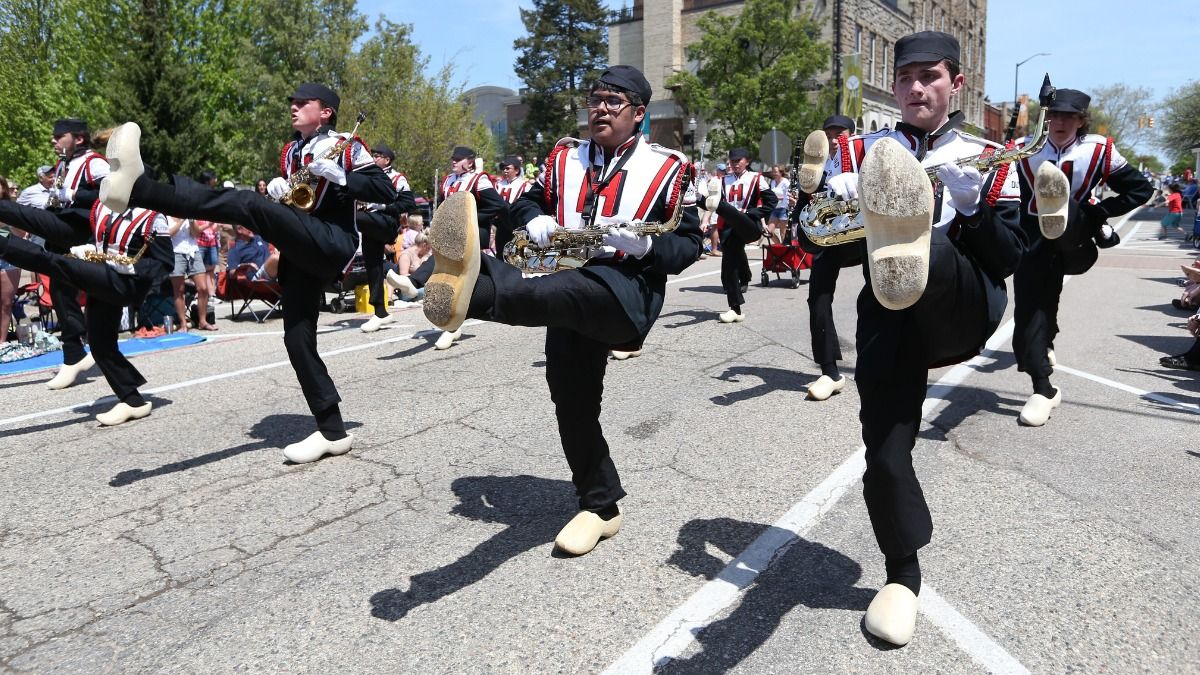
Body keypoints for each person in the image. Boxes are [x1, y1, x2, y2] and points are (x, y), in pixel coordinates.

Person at [418, 65, 701, 556]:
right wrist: (538, 218)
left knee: (556, 293)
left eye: (614, 103)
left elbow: (690, 242)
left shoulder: (669, 166)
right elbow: (521, 204)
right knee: (570, 400)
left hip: (624, 289)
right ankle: (601, 506)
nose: (601, 109)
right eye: (595, 100)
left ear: (639, 114)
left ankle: (473, 293)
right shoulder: (563, 157)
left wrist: (644, 248)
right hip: (562, 275)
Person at [817, 32, 1026, 646]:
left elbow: (1009, 257)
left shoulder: (989, 154)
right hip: (889, 311)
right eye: (905, 77)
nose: (914, 88)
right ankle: (902, 576)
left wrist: (972, 203)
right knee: (882, 456)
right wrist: (839, 208)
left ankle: (921, 247)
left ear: (955, 83)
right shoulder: (862, 150)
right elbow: (818, 245)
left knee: (930, 244)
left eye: (929, 76)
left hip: (963, 300)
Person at [99, 82, 395, 462]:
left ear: (325, 112)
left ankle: (141, 187)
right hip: (300, 248)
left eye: (303, 102)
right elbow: (297, 204)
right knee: (296, 340)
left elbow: (384, 191)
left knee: (244, 203)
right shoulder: (291, 151)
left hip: (331, 241)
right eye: (292, 101)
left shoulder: (348, 146)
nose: (293, 106)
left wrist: (339, 176)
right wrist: (281, 191)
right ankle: (332, 431)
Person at [1009, 88, 1153, 426]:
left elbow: (1140, 189)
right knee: (1029, 309)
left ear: (1081, 120)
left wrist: (1097, 213)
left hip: (1074, 238)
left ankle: (1046, 342)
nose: (1060, 122)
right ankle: (1043, 388)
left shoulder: (1099, 150)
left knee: (1049, 301)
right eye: (1055, 115)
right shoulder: (1024, 149)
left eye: (1069, 116)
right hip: (1031, 237)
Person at [0, 185, 173, 423]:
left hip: (127, 283)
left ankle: (2, 243)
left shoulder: (153, 218)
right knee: (100, 344)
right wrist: (90, 248)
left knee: (54, 263)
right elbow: (97, 237)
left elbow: (165, 263)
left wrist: (132, 267)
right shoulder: (102, 209)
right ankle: (133, 400)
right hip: (103, 277)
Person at [0, 119, 107, 388]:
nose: (53, 140)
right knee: (60, 292)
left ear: (78, 139)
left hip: (79, 230)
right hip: (61, 235)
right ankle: (73, 356)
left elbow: (114, 194)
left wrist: (72, 194)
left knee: (27, 215)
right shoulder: (62, 164)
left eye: (59, 135)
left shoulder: (94, 162)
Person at [386, 144, 507, 350]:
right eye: (453, 158)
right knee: (457, 280)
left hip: (473, 233)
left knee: (460, 278)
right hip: (451, 233)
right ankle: (448, 320)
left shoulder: (479, 179)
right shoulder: (448, 180)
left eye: (458, 159)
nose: (454, 161)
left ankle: (415, 285)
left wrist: (469, 217)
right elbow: (443, 206)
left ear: (469, 162)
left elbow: (498, 205)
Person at [794, 114, 863, 401]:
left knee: (879, 296)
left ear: (852, 134)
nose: (834, 139)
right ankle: (830, 371)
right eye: (829, 133)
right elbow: (802, 207)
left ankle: (885, 361)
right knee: (818, 299)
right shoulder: (814, 168)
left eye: (840, 133)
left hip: (864, 235)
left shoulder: (863, 156)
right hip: (830, 240)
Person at [709, 149, 776, 322]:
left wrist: (752, 213)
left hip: (749, 225)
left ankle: (743, 281)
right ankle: (735, 309)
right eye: (732, 160)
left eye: (739, 160)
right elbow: (713, 205)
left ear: (747, 161)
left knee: (736, 216)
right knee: (729, 266)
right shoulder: (722, 181)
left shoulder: (756, 178)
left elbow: (772, 201)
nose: (735, 163)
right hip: (730, 229)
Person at [358, 141, 416, 333]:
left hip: (386, 223)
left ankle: (393, 276)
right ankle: (380, 312)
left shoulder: (397, 178)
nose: (373, 159)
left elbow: (408, 203)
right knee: (372, 265)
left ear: (387, 159)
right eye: (372, 155)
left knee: (352, 219)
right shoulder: (367, 175)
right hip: (369, 224)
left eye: (376, 156)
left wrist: (384, 206)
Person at [165, 216, 212, 332]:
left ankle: (203, 321)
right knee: (179, 290)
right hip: (175, 253)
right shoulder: (165, 216)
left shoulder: (188, 213)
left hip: (193, 251)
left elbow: (195, 233)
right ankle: (183, 323)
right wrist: (181, 221)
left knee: (203, 288)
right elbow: (168, 234)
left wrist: (191, 221)